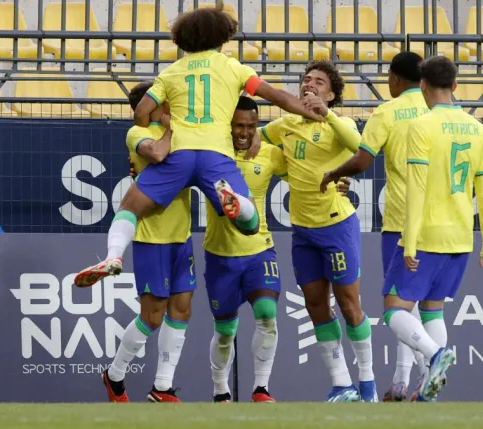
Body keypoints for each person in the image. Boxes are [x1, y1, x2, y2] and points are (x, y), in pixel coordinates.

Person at [74, 5, 322, 288]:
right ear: (221, 36)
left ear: (184, 38)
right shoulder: (232, 67)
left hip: (178, 153)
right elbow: (275, 95)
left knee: (129, 206)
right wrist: (308, 111)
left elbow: (141, 111)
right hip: (215, 154)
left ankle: (114, 256)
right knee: (250, 224)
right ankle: (235, 201)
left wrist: (159, 128)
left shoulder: (171, 72)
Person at [207, 96, 352, 403]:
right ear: (227, 127)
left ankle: (261, 388)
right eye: (238, 126)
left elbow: (304, 179)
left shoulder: (271, 154)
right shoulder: (210, 155)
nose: (245, 132)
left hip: (260, 250)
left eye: (251, 126)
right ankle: (221, 389)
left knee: (267, 314)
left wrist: (339, 181)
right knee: (225, 331)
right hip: (220, 253)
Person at [381, 55, 483, 402]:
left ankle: (434, 357)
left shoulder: (421, 126)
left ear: (422, 86)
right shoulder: (477, 129)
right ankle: (428, 387)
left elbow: (416, 188)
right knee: (433, 309)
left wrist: (410, 241)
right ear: (456, 86)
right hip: (460, 236)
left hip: (428, 233)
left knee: (393, 309)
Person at [261, 60, 377, 402]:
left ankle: (368, 383)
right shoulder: (285, 125)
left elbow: (360, 146)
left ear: (331, 93)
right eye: (306, 79)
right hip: (303, 231)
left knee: (349, 304)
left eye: (318, 81)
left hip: (337, 226)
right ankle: (342, 384)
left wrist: (325, 114)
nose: (309, 84)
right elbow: (253, 138)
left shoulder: (339, 123)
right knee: (315, 305)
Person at [320, 52, 433, 402]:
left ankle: (428, 368)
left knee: (398, 305)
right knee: (423, 306)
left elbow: (363, 158)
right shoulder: (439, 108)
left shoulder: (387, 111)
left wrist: (336, 172)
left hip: (402, 219)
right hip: (441, 218)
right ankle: (402, 380)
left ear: (395, 80)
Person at [101, 81, 193, 403]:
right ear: (146, 107)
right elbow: (157, 153)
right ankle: (114, 376)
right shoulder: (136, 134)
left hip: (182, 236)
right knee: (152, 317)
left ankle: (162, 387)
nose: (167, 103)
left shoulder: (176, 129)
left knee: (181, 310)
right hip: (152, 238)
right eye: (160, 100)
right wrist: (171, 131)